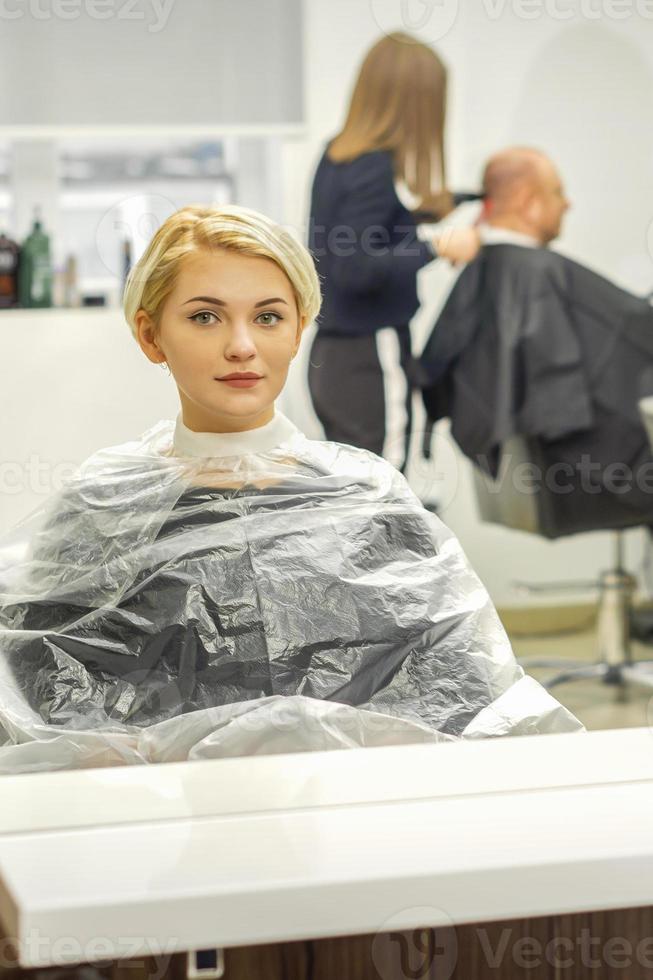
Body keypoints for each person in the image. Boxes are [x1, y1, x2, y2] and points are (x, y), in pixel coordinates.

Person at [0, 204, 581, 774]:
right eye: (205, 316)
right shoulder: (103, 508)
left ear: (300, 329)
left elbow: (466, 698)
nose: (242, 346)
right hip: (162, 828)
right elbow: (41, 711)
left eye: (269, 317)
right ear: (151, 336)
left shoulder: (367, 499)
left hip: (358, 819)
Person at [418, 147, 653, 535]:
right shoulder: (536, 273)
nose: (568, 203)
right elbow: (631, 337)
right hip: (582, 473)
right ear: (529, 201)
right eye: (558, 192)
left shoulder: (488, 268)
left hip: (539, 472)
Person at [308, 32, 481, 474]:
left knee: (359, 498)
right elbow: (357, 268)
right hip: (371, 357)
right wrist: (440, 245)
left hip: (335, 358)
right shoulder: (373, 168)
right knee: (384, 497)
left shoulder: (339, 155)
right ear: (415, 103)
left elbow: (354, 237)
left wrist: (428, 211)